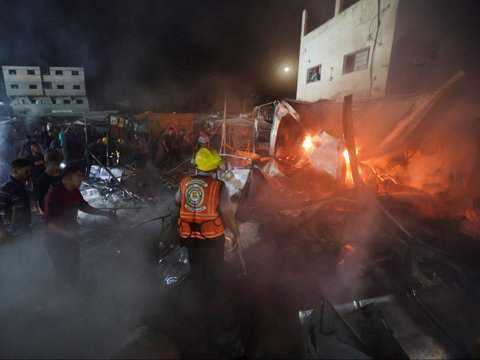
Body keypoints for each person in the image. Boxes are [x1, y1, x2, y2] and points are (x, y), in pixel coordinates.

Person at [43, 165, 117, 288]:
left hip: (71, 237)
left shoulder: (75, 192)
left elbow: (85, 207)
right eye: (78, 177)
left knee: (73, 267)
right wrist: (66, 233)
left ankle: (74, 293)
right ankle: (60, 298)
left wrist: (106, 213)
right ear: (68, 179)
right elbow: (49, 223)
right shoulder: (53, 196)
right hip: (55, 240)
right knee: (62, 271)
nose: (81, 179)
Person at [175, 148, 240, 281]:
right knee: (214, 271)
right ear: (214, 168)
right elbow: (227, 213)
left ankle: (196, 293)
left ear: (197, 166)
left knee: (196, 270)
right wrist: (236, 234)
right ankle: (211, 295)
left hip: (189, 238)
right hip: (212, 240)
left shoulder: (184, 182)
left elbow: (177, 202)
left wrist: (195, 208)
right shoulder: (219, 186)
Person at [0, 158, 32, 243]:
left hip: (25, 230)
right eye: (27, 171)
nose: (29, 173)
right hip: (12, 234)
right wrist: (3, 231)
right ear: (15, 171)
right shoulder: (5, 189)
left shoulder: (22, 185)